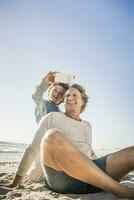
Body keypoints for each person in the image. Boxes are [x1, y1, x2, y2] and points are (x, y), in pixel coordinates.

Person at [6, 84, 134, 199]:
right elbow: (32, 149)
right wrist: (15, 182)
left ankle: (104, 182)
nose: (69, 97)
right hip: (61, 178)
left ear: (83, 101)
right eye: (67, 95)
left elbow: (89, 151)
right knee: (52, 136)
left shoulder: (87, 126)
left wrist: (104, 164)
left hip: (91, 178)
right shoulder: (52, 117)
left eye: (74, 95)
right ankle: (119, 189)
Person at [29, 71, 69, 182]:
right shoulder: (43, 104)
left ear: (62, 99)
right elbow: (35, 96)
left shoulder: (60, 113)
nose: (57, 94)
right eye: (55, 90)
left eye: (61, 93)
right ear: (50, 90)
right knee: (35, 177)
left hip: (55, 147)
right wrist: (44, 83)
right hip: (41, 143)